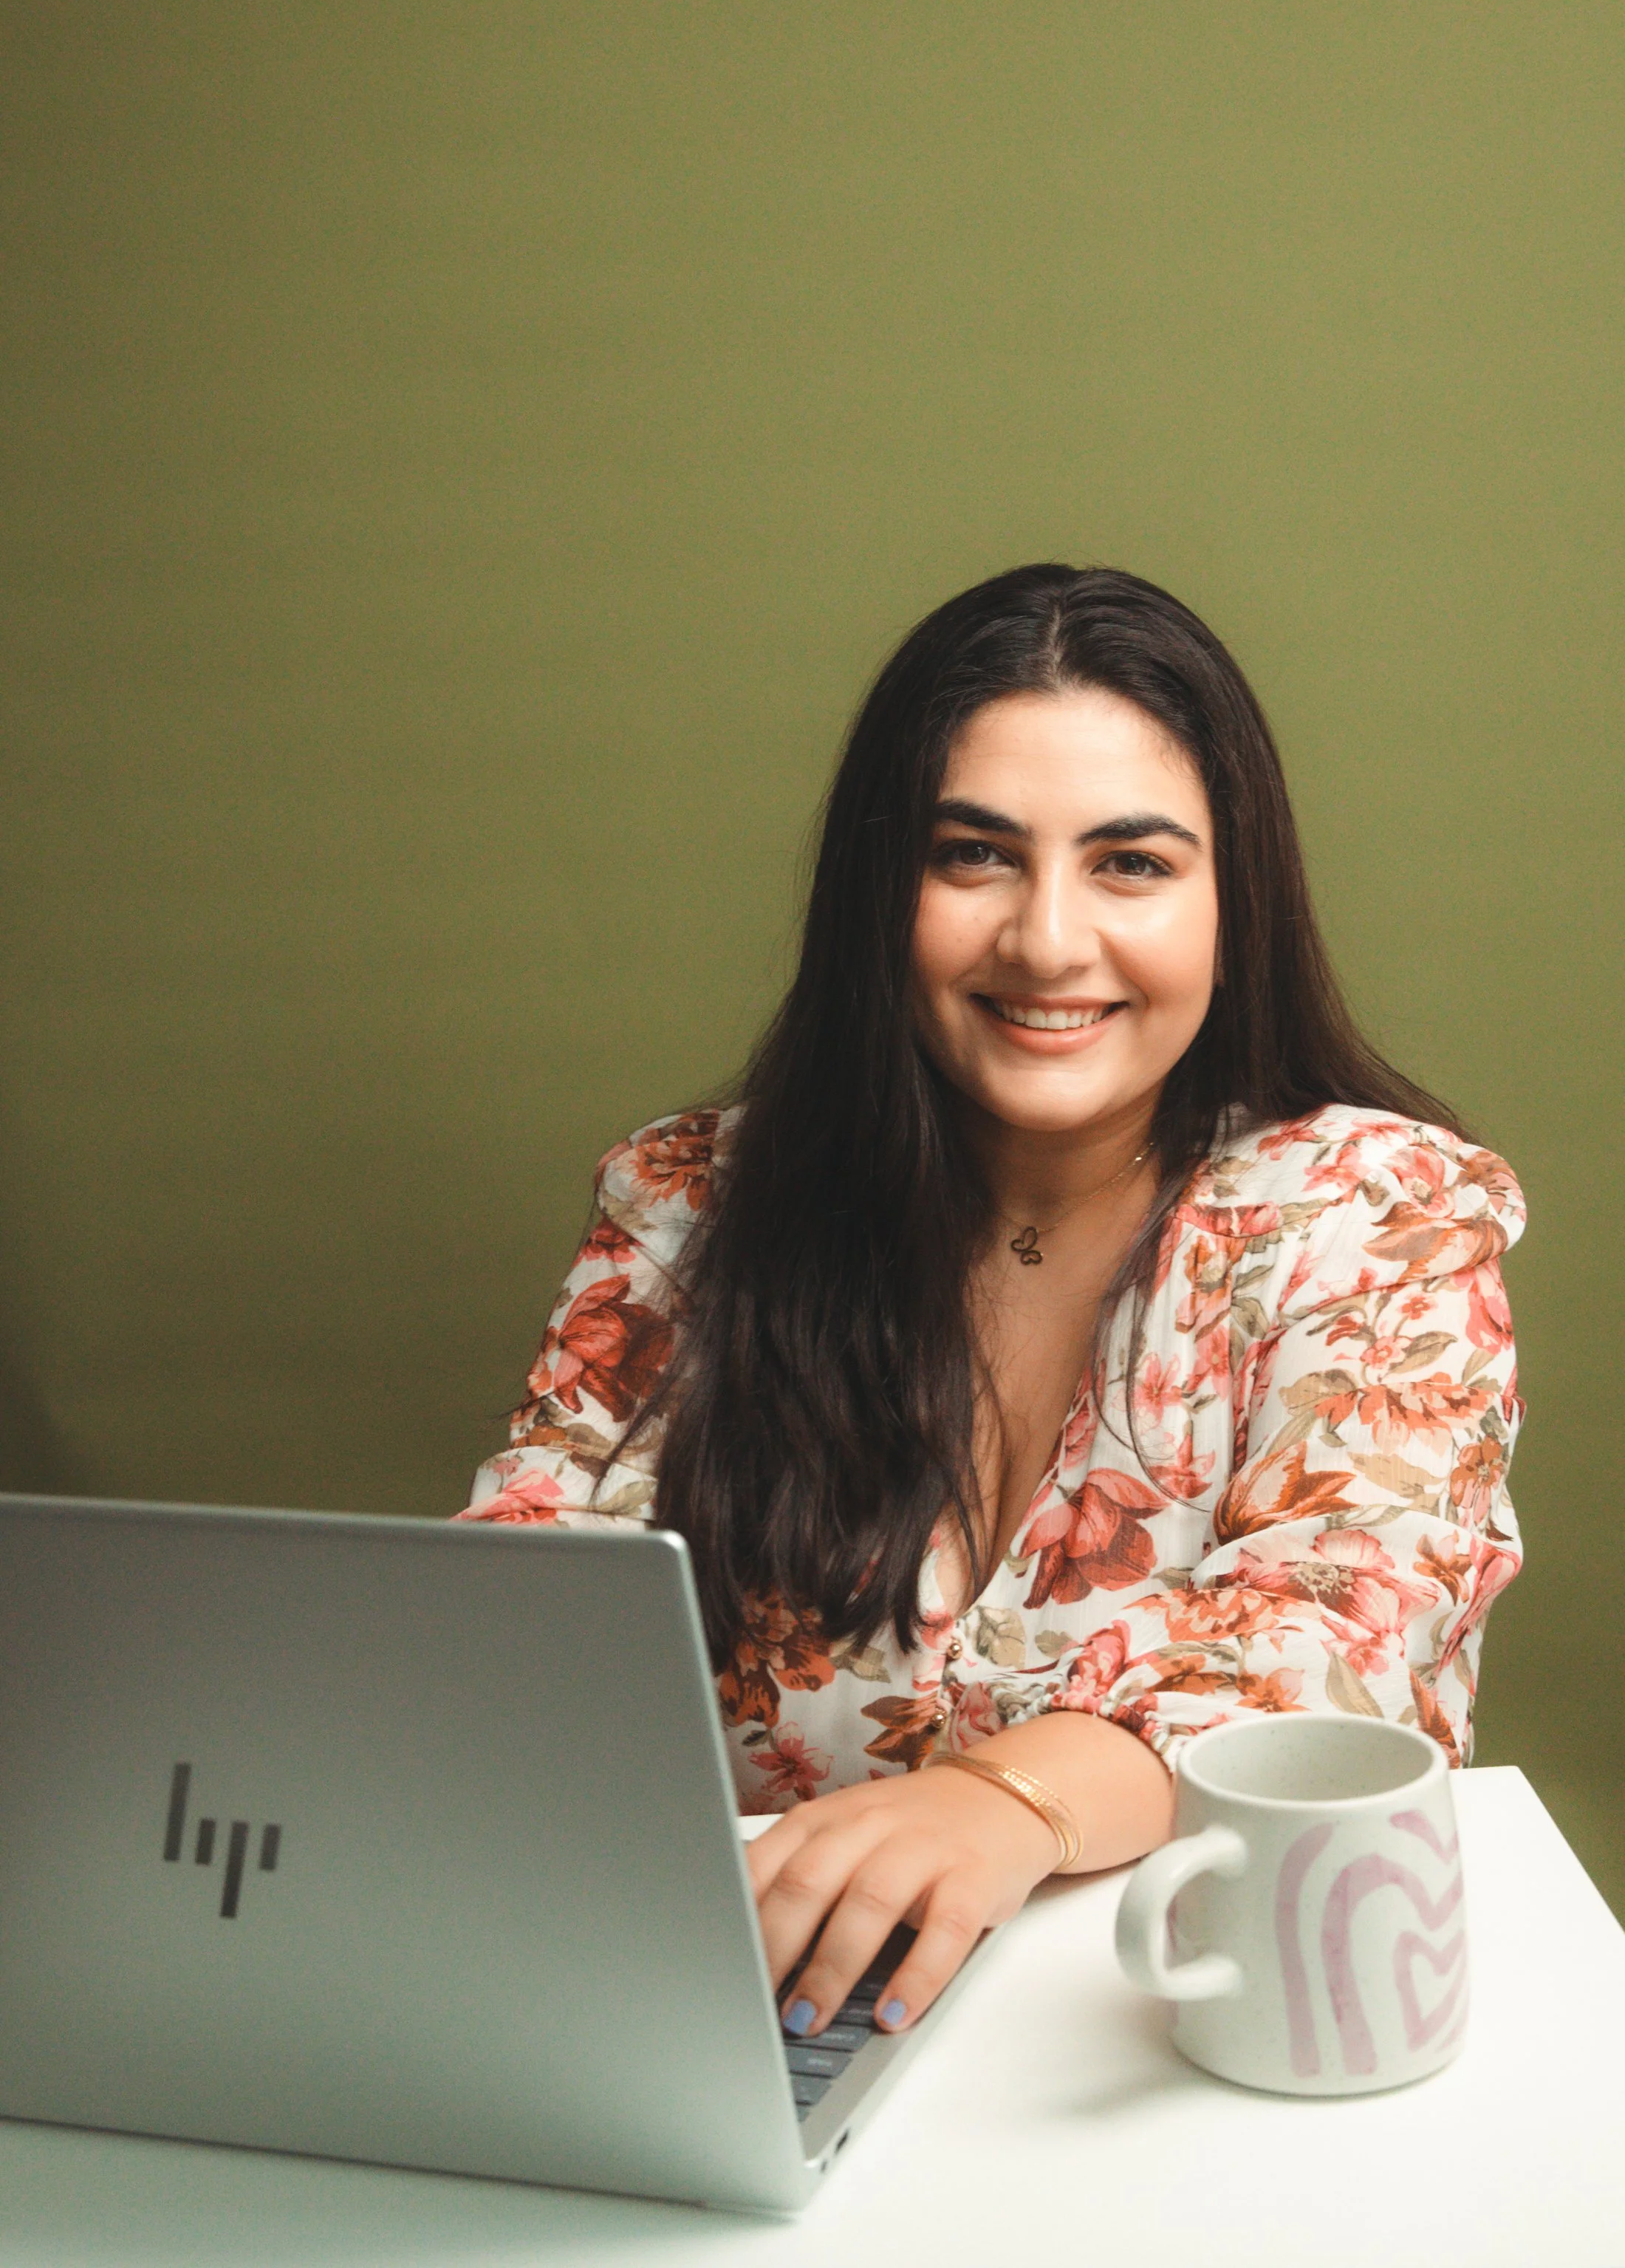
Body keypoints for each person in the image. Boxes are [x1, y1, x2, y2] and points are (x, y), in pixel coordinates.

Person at [461, 563, 1524, 2049]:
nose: (1046, 940)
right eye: (973, 855)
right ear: (877, 889)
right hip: (758, 2020)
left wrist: (1002, 1801)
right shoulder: (688, 1203)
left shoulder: (1372, 1210)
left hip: (1171, 2028)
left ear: (1235, 899)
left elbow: (1342, 1632)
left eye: (1131, 863)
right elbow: (510, 1623)